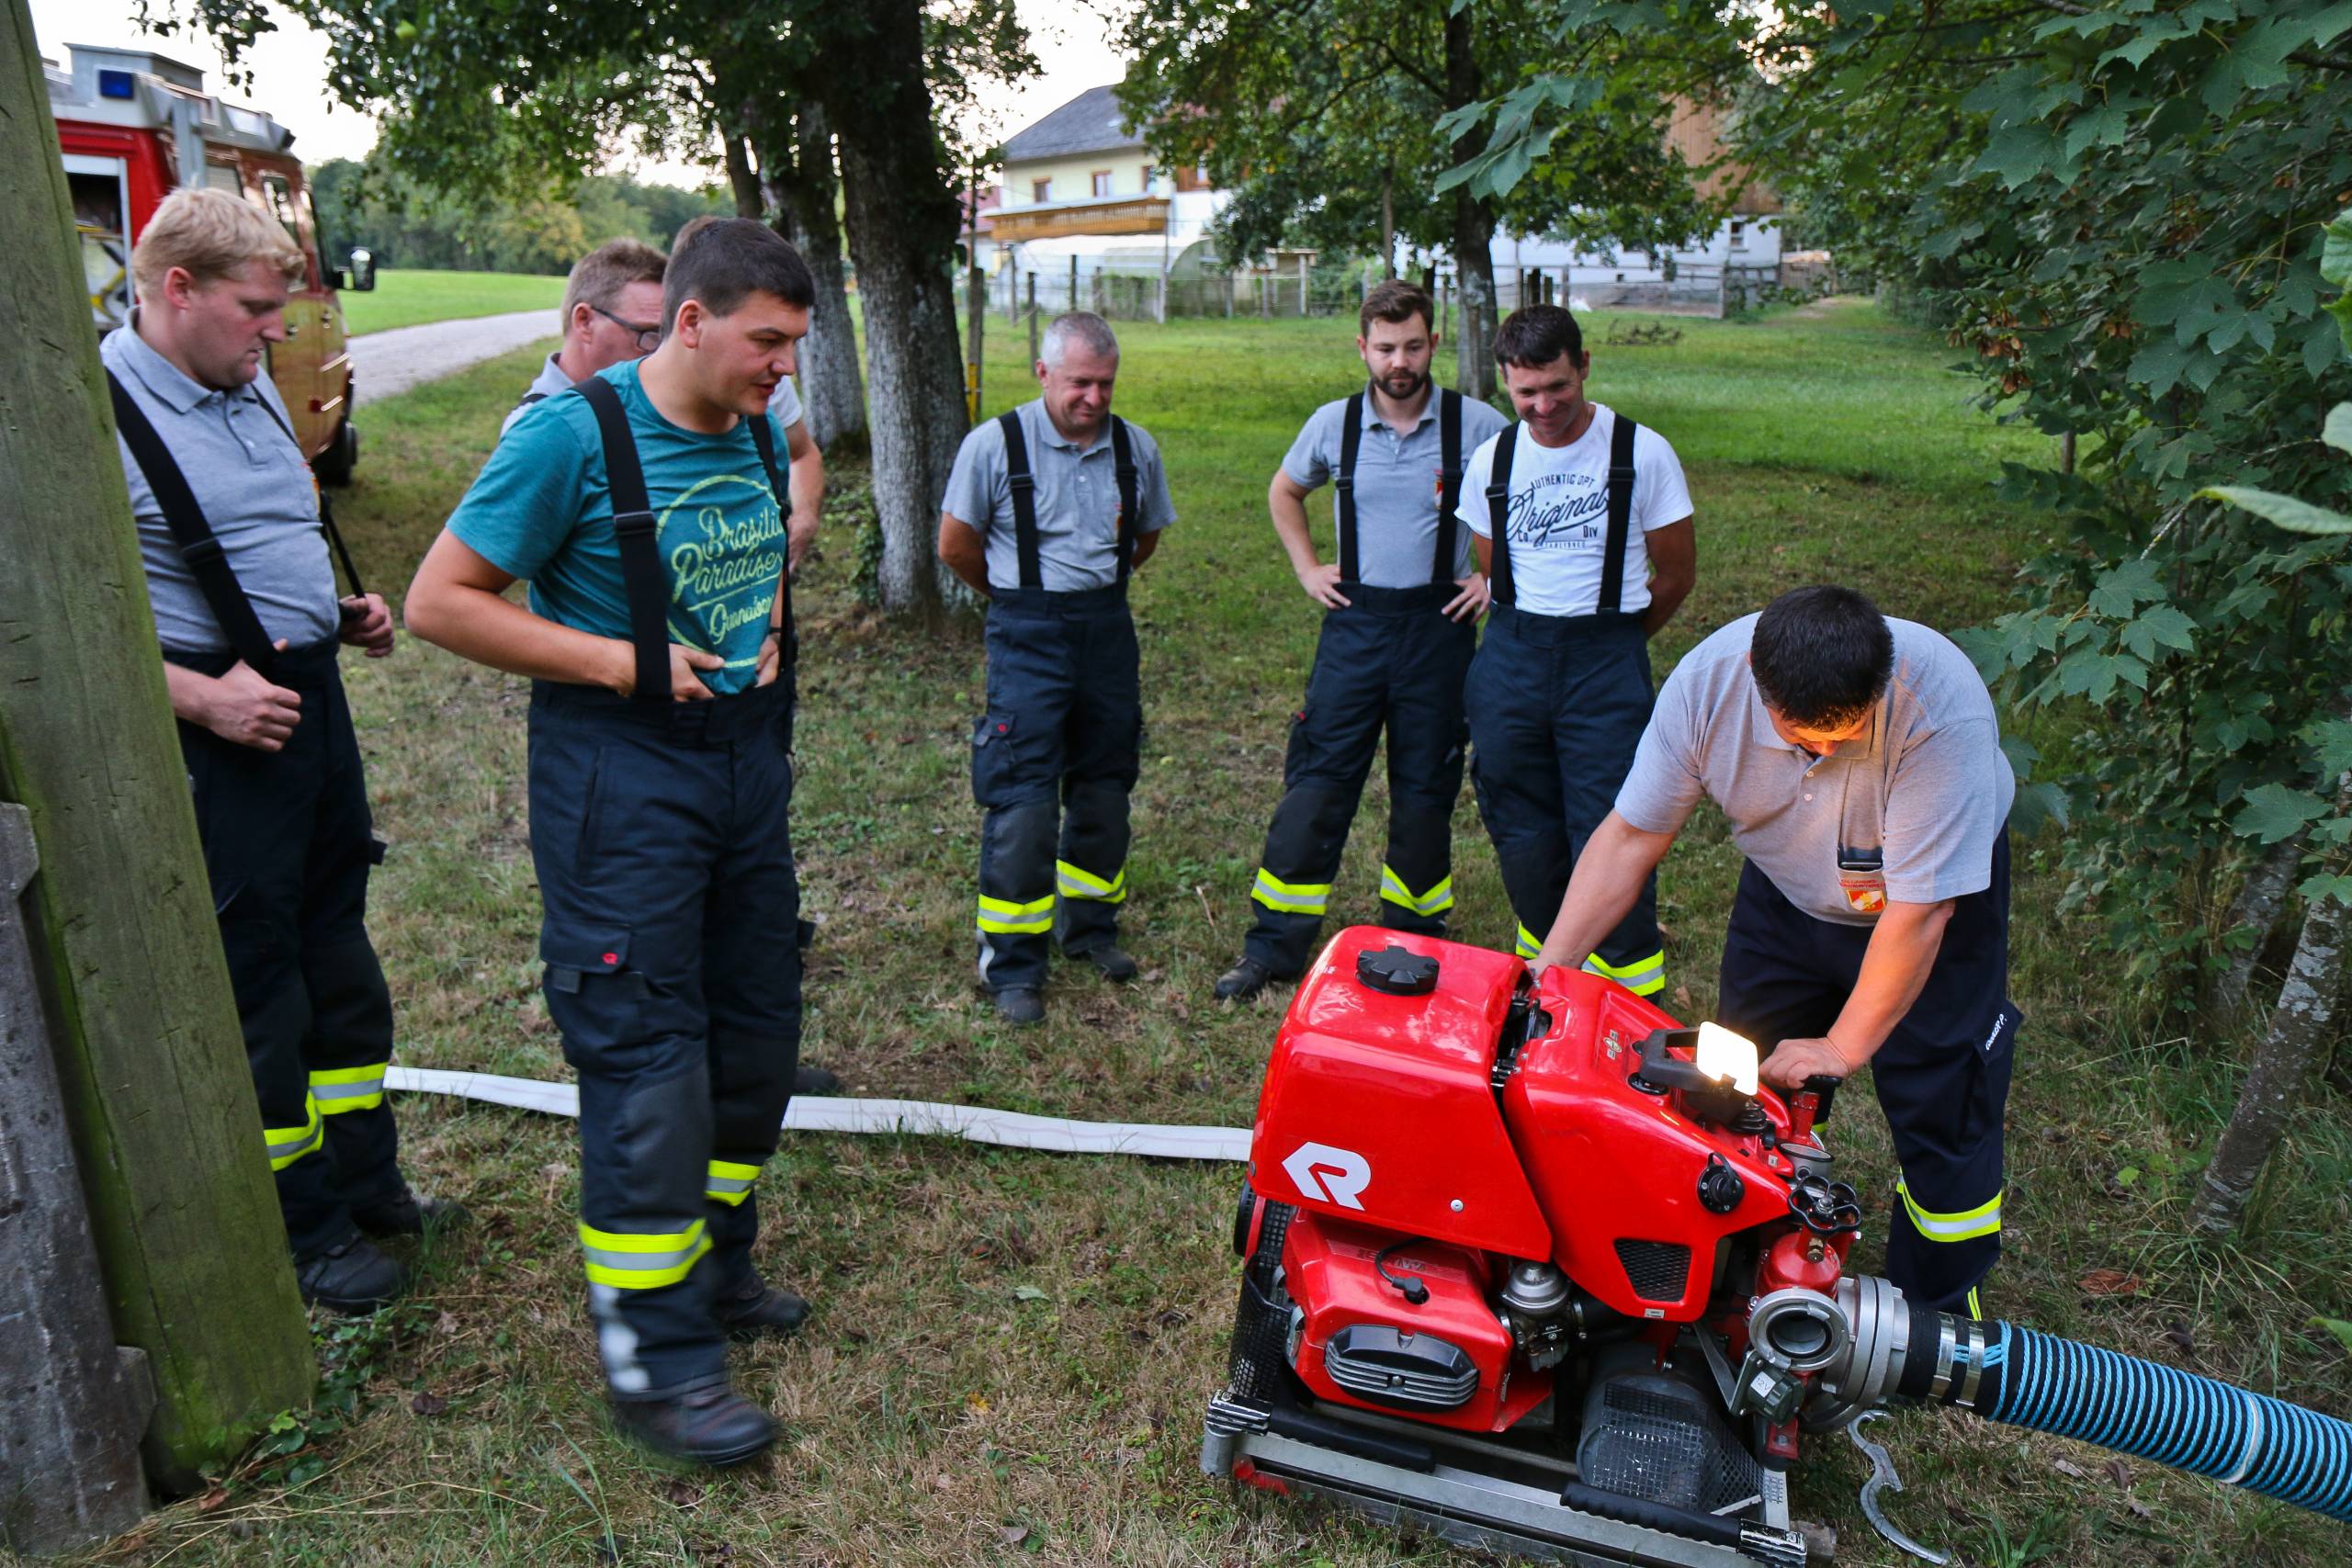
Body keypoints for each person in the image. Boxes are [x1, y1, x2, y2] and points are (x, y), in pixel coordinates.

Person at [404, 218, 817, 1465]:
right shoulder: (567, 436)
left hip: (741, 764)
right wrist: (625, 660)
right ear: (688, 322)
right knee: (647, 1063)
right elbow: (439, 601)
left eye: (793, 346)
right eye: (767, 343)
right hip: (618, 772)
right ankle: (658, 1360)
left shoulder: (748, 422)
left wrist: (771, 623)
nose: (782, 372)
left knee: (755, 1038)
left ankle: (717, 1270)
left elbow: (759, 536)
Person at [102, 188, 457, 1314]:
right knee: (262, 989)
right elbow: (55, 636)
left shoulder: (242, 385)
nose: (274, 334)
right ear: (176, 290)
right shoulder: (94, 420)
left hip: (307, 703)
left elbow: (266, 530)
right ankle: (304, 1232)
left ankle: (370, 1185)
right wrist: (200, 700)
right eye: (256, 309)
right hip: (222, 732)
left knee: (340, 960)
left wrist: (339, 610)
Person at [1529, 585, 2019, 1318]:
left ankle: (1941, 1312)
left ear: (1881, 681)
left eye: (1842, 735)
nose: (1822, 751)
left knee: (1942, 1097)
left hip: (1929, 907)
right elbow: (1631, 836)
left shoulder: (1939, 709)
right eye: (1802, 736)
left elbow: (1920, 914)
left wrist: (1842, 1045)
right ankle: (1753, 1257)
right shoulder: (1708, 686)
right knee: (1738, 1075)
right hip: (1788, 892)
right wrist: (1552, 969)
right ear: (1759, 677)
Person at [1214, 281, 1507, 1001]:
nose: (1399, 361)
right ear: (1362, 347)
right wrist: (1307, 566)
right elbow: (1285, 490)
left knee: (1424, 785)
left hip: (1439, 628)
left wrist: (1496, 581)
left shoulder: (1475, 425)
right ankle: (1273, 945)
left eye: (1413, 345)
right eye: (1385, 347)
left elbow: (1526, 494)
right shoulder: (1334, 425)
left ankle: (1412, 939)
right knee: (1318, 783)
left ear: (1434, 343)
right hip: (1355, 625)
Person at [938, 311, 1177, 1026]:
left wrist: (1090, 591)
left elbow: (1146, 537)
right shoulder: (993, 445)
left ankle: (1091, 929)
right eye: (1079, 383)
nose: (1094, 399)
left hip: (1107, 631)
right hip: (1026, 633)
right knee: (1025, 799)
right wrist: (1021, 598)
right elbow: (955, 546)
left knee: (1105, 788)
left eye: (1105, 384)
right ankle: (1012, 963)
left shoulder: (1137, 447)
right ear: (1043, 373)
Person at [1459, 303, 1696, 992]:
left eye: (1556, 387)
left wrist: (1619, 644)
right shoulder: (1493, 458)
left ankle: (1629, 992)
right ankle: (1549, 978)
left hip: (1605, 658)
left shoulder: (1641, 452)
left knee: (1613, 823)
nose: (1543, 406)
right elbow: (1492, 569)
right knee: (1518, 818)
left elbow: (1676, 574)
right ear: (1506, 383)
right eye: (1525, 392)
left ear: (1584, 366)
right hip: (1511, 653)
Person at [505, 238, 669, 433]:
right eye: (648, 334)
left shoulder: (634, 406)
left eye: (666, 337)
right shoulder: (535, 430)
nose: (659, 354)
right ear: (585, 322)